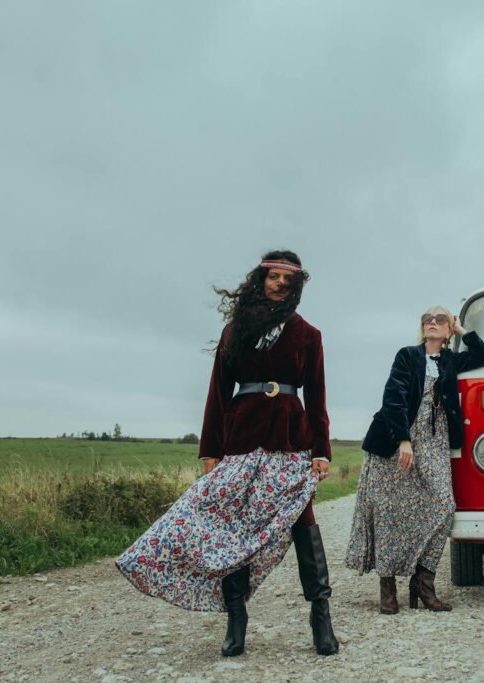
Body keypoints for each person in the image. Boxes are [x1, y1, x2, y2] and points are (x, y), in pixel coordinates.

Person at [115, 250, 339, 657]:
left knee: (303, 522)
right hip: (241, 435)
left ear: (296, 287)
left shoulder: (309, 335)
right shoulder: (236, 329)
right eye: (273, 277)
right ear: (260, 279)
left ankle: (320, 615)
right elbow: (217, 391)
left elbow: (317, 395)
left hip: (290, 438)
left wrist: (321, 451)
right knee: (233, 529)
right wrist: (210, 451)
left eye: (287, 281)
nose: (279, 285)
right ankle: (236, 617)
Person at [344, 306, 484, 613]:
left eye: (440, 320)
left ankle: (422, 584)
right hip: (397, 439)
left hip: (435, 442)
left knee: (443, 506)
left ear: (448, 328)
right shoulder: (407, 355)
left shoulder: (451, 360)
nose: (433, 323)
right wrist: (403, 441)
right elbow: (394, 396)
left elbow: (482, 355)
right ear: (422, 327)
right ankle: (388, 589)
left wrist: (462, 330)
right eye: (428, 319)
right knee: (389, 513)